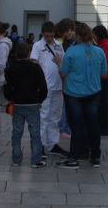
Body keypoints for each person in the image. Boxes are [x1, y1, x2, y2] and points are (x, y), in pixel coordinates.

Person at [56, 22, 106, 169]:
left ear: (77, 36)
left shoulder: (71, 52)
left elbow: (63, 73)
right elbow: (103, 73)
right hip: (93, 92)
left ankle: (73, 158)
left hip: (74, 93)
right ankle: (95, 156)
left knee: (76, 126)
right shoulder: (99, 52)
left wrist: (59, 63)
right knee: (93, 125)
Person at [4, 42, 48, 168]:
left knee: (17, 132)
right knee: (35, 132)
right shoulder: (35, 68)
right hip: (33, 104)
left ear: (16, 54)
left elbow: (7, 87)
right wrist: (40, 100)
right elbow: (43, 87)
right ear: (29, 53)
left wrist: (11, 98)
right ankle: (35, 160)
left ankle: (16, 159)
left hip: (18, 104)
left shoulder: (11, 68)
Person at [31, 21, 69, 157]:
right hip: (44, 88)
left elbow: (63, 63)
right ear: (42, 34)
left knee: (55, 117)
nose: (49, 38)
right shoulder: (37, 46)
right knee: (43, 117)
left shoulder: (58, 46)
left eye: (51, 36)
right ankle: (40, 144)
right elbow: (34, 65)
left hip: (57, 86)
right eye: (47, 36)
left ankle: (52, 144)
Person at [92, 25, 108, 136]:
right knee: (103, 102)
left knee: (103, 102)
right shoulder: (106, 43)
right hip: (107, 75)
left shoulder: (105, 44)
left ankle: (105, 128)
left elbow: (101, 59)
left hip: (105, 76)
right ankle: (104, 127)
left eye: (95, 35)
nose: (94, 37)